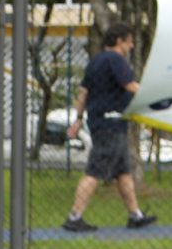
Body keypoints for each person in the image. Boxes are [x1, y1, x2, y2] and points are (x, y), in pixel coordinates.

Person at [63, 25, 156, 232]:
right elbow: (130, 85)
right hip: (110, 124)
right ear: (119, 41)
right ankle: (74, 216)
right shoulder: (116, 60)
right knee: (95, 171)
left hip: (104, 122)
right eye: (129, 41)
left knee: (123, 171)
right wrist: (155, 99)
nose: (131, 46)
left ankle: (135, 215)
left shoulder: (96, 61)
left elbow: (83, 92)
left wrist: (78, 118)